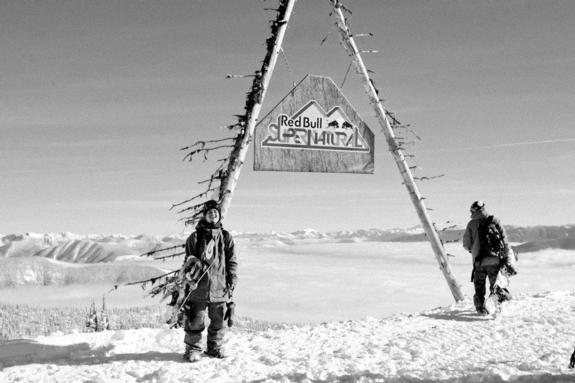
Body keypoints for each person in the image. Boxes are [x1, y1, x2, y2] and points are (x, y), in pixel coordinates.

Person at [181, 200, 237, 362]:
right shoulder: (195, 237)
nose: (213, 215)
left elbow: (232, 261)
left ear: (219, 216)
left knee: (219, 321)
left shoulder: (226, 237)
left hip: (220, 287)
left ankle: (215, 347)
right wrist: (187, 281)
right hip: (198, 287)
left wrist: (232, 278)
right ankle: (192, 349)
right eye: (210, 212)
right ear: (205, 215)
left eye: (216, 212)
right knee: (195, 320)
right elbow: (188, 261)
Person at [463, 200, 513, 314]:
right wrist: (506, 257)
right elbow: (505, 241)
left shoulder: (471, 224)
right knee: (495, 286)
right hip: (495, 261)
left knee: (479, 288)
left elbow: (466, 244)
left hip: (479, 262)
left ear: (473, 210)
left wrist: (473, 249)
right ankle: (497, 308)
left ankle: (480, 309)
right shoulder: (495, 221)